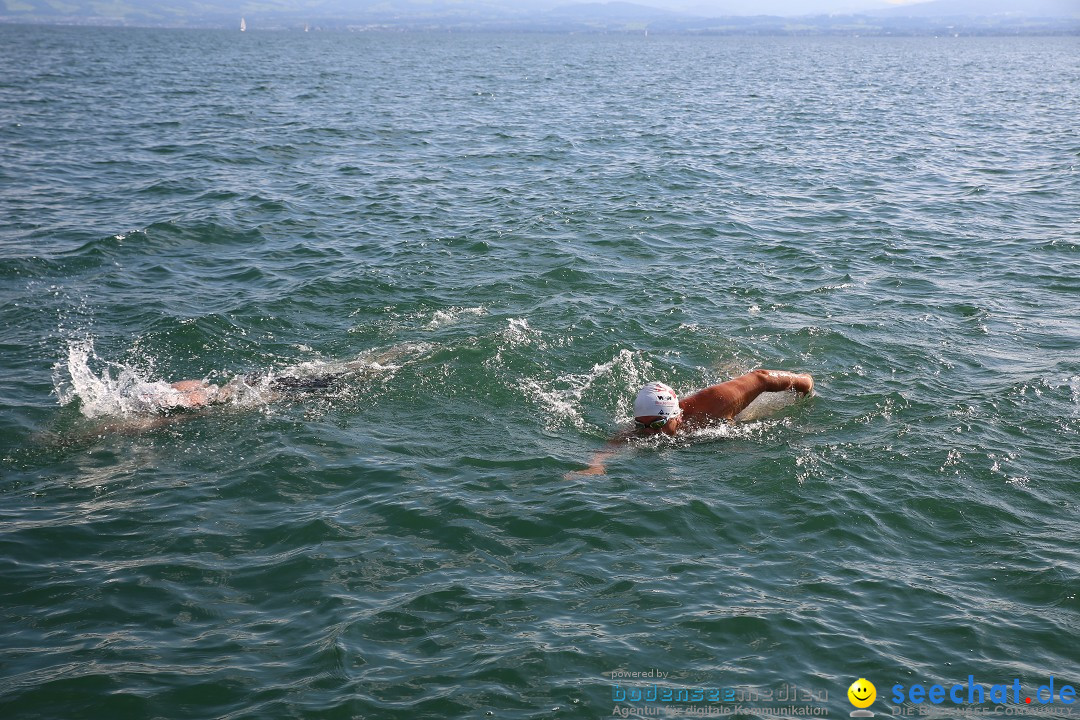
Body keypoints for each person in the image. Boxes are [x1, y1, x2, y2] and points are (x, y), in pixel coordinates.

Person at [571, 369, 814, 476]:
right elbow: (612, 445)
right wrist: (596, 465)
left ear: (675, 417)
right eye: (640, 426)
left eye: (656, 425)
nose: (648, 433)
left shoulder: (715, 404)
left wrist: (804, 383)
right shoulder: (645, 427)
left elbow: (760, 378)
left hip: (724, 414)